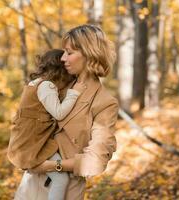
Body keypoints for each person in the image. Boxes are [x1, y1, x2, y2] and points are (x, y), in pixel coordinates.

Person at [14, 24, 119, 200]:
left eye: (69, 53)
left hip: (65, 189)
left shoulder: (104, 102)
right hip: (31, 183)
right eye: (64, 52)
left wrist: (53, 166)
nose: (63, 58)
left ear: (89, 55)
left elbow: (96, 160)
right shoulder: (56, 84)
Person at [7, 49, 86, 200]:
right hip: (35, 142)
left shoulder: (34, 83)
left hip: (31, 140)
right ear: (60, 70)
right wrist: (74, 93)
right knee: (61, 179)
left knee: (60, 179)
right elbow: (59, 113)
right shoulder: (46, 86)